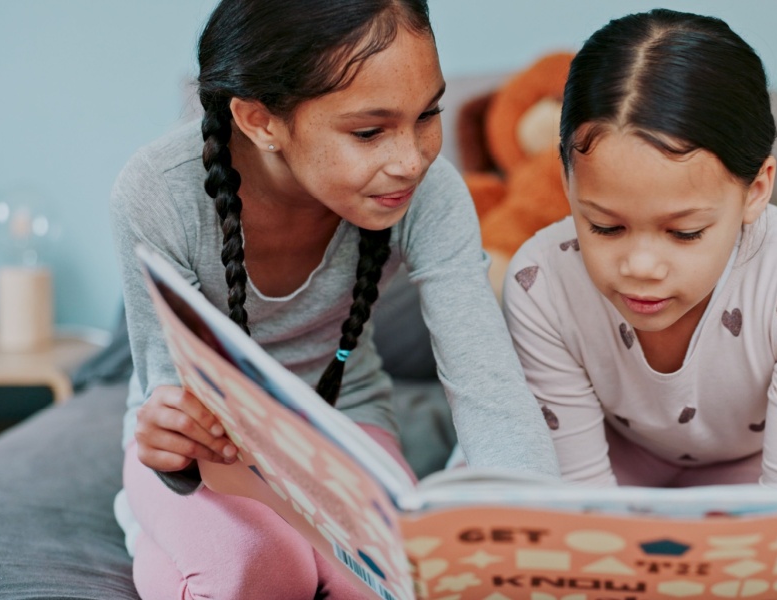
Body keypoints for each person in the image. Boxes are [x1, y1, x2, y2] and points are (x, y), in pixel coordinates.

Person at [108, 1, 559, 597]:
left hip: (344, 429)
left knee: (402, 583)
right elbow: (175, 401)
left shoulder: (432, 195)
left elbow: (489, 388)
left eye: (428, 115)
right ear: (260, 120)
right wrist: (175, 453)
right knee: (263, 570)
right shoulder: (159, 194)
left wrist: (537, 542)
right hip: (211, 448)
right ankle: (150, 523)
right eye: (369, 132)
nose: (411, 160)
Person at [502, 9, 777, 600]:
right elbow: (581, 493)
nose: (641, 267)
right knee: (491, 518)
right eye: (604, 226)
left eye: (684, 233)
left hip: (752, 467)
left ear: (755, 190)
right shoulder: (541, 280)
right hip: (615, 456)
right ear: (567, 182)